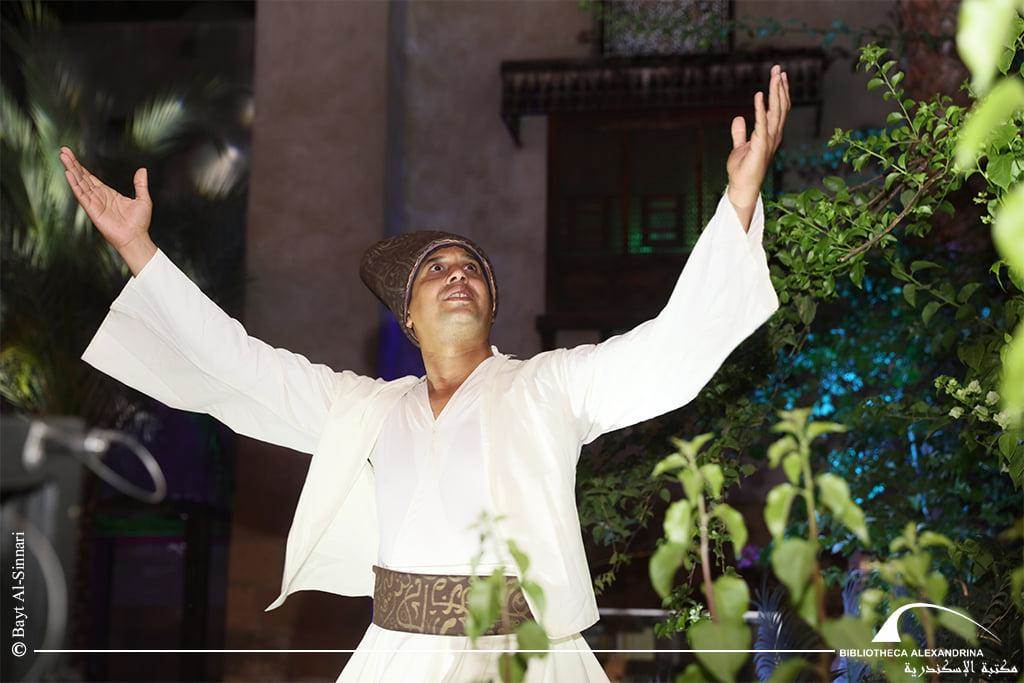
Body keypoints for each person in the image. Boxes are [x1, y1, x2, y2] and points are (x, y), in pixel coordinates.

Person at [64, 65, 791, 682]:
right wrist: (139, 251)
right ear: (407, 317)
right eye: (436, 270)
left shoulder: (550, 385)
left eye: (470, 268)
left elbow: (669, 348)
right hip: (399, 656)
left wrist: (740, 198)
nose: (457, 275)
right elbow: (238, 364)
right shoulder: (364, 408)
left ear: (491, 306)